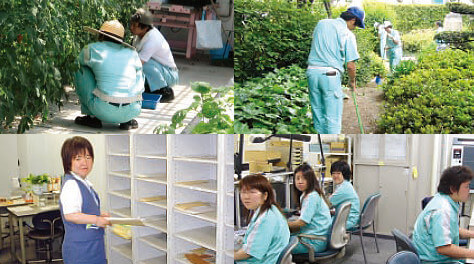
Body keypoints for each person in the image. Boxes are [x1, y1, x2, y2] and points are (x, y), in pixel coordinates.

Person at [74, 20, 144, 130]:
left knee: (79, 68)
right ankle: (127, 120)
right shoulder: (132, 53)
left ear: (101, 36)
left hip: (102, 109)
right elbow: (140, 82)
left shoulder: (91, 49)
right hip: (133, 109)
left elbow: (77, 65)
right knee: (138, 73)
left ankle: (92, 117)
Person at [306, 6, 365, 134]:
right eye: (357, 25)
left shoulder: (321, 23)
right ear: (353, 20)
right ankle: (333, 150)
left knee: (318, 115)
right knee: (332, 118)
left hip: (312, 73)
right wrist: (352, 82)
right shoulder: (348, 34)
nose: (355, 28)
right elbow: (350, 65)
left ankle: (321, 149)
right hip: (329, 76)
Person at [59, 136, 111, 264]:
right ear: (68, 162)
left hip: (92, 245)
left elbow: (82, 211)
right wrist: (96, 219)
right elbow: (71, 215)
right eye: (78, 158)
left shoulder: (83, 182)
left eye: (88, 157)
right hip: (81, 250)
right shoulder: (72, 184)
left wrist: (99, 215)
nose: (85, 162)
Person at [412, 166, 474, 263]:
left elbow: (450, 229)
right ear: (453, 189)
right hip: (434, 261)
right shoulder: (442, 210)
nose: (468, 190)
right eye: (466, 186)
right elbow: (444, 248)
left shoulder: (444, 199)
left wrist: (472, 234)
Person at [235, 174, 290, 263]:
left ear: (265, 195)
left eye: (252, 192)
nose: (246, 197)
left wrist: (227, 255)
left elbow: (249, 253)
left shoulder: (265, 219)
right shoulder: (270, 209)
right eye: (243, 192)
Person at [130, 8, 179, 103]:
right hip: (159, 69)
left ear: (144, 27)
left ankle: (164, 91)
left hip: (170, 74)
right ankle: (152, 88)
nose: (131, 27)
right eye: (131, 24)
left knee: (143, 64)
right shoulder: (140, 35)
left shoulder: (152, 39)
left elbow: (139, 63)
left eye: (134, 26)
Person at [289, 164, 332, 254]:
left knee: (276, 246)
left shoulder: (311, 196)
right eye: (297, 178)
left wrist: (282, 224)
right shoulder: (311, 193)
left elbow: (302, 222)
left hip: (313, 242)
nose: (300, 182)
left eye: (304, 178)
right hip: (317, 238)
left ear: (310, 180)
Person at [328, 160, 360, 230]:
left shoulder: (343, 188)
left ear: (344, 174)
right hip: (348, 217)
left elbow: (327, 204)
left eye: (338, 173)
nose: (335, 176)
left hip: (348, 220)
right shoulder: (346, 184)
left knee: (319, 224)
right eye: (333, 173)